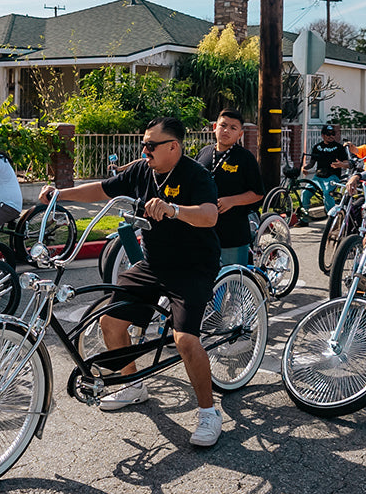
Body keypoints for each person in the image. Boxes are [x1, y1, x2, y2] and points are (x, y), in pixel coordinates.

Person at [37, 117, 226, 446]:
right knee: (110, 323)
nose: (144, 149)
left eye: (151, 145)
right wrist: (59, 194)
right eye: (143, 143)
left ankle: (209, 413)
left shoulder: (196, 175)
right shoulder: (142, 170)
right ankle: (132, 385)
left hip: (192, 267)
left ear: (173, 146)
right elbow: (102, 189)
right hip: (153, 264)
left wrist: (174, 209)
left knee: (184, 339)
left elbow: (210, 214)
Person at [195, 109, 264, 265]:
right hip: (203, 231)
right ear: (214, 127)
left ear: (240, 134)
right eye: (223, 125)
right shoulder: (204, 153)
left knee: (234, 281)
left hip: (233, 233)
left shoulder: (245, 158)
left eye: (233, 128)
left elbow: (258, 193)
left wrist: (231, 201)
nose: (226, 130)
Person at [300, 124, 350, 221]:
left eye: (333, 134)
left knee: (327, 193)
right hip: (318, 177)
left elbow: (346, 162)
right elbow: (311, 163)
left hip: (332, 177)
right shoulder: (317, 147)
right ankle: (304, 219)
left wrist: (341, 164)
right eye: (328, 134)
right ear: (323, 135)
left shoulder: (339, 147)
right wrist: (304, 168)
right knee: (305, 193)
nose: (331, 136)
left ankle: (332, 220)